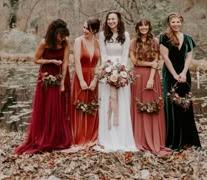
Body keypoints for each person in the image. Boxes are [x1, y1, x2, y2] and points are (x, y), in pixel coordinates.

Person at [15, 19, 72, 154]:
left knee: (59, 107)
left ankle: (57, 138)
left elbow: (65, 63)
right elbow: (36, 59)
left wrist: (63, 82)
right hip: (46, 76)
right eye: (60, 36)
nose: (62, 38)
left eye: (64, 36)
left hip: (60, 75)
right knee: (47, 107)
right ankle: (45, 137)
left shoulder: (66, 42)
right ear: (54, 33)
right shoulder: (45, 42)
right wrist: (51, 61)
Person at [130, 19, 172, 156]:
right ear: (138, 27)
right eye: (141, 25)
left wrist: (150, 79)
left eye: (146, 25)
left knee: (152, 106)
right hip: (137, 77)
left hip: (151, 77)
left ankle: (155, 139)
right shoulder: (133, 42)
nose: (143, 28)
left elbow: (156, 61)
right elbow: (134, 61)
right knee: (138, 107)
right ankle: (139, 138)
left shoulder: (155, 41)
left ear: (149, 27)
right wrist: (149, 64)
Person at [159, 13, 201, 150]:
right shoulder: (164, 37)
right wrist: (175, 75)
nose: (176, 24)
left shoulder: (188, 38)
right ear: (169, 23)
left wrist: (183, 73)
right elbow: (165, 57)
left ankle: (188, 139)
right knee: (172, 105)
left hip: (184, 74)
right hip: (170, 74)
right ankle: (174, 140)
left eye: (178, 22)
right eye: (173, 22)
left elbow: (189, 58)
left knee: (185, 105)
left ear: (181, 23)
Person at [98, 11, 136, 151]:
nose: (111, 21)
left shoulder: (125, 35)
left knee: (121, 102)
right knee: (107, 102)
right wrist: (105, 71)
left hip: (121, 70)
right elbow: (103, 54)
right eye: (109, 19)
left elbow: (125, 55)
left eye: (113, 19)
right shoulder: (102, 35)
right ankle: (107, 136)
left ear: (118, 20)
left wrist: (122, 73)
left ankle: (122, 137)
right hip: (107, 69)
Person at [71, 19, 101, 149]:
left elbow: (100, 62)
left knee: (92, 106)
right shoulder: (79, 41)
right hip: (80, 76)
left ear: (94, 30)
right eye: (83, 27)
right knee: (80, 105)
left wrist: (95, 80)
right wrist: (82, 80)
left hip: (93, 76)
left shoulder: (98, 43)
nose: (84, 31)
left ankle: (91, 136)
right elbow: (76, 61)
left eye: (87, 28)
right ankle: (79, 137)